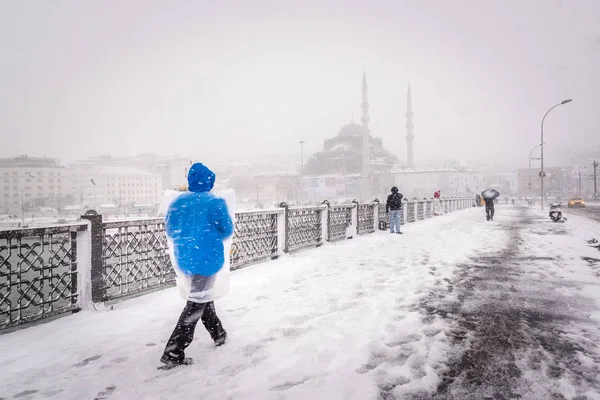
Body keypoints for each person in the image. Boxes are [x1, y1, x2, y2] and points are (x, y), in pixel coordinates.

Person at [160, 163, 234, 368]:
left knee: (201, 295)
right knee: (196, 301)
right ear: (209, 181)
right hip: (207, 258)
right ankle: (174, 351)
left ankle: (218, 334)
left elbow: (170, 229)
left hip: (186, 258)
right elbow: (226, 230)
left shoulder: (178, 202)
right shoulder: (215, 202)